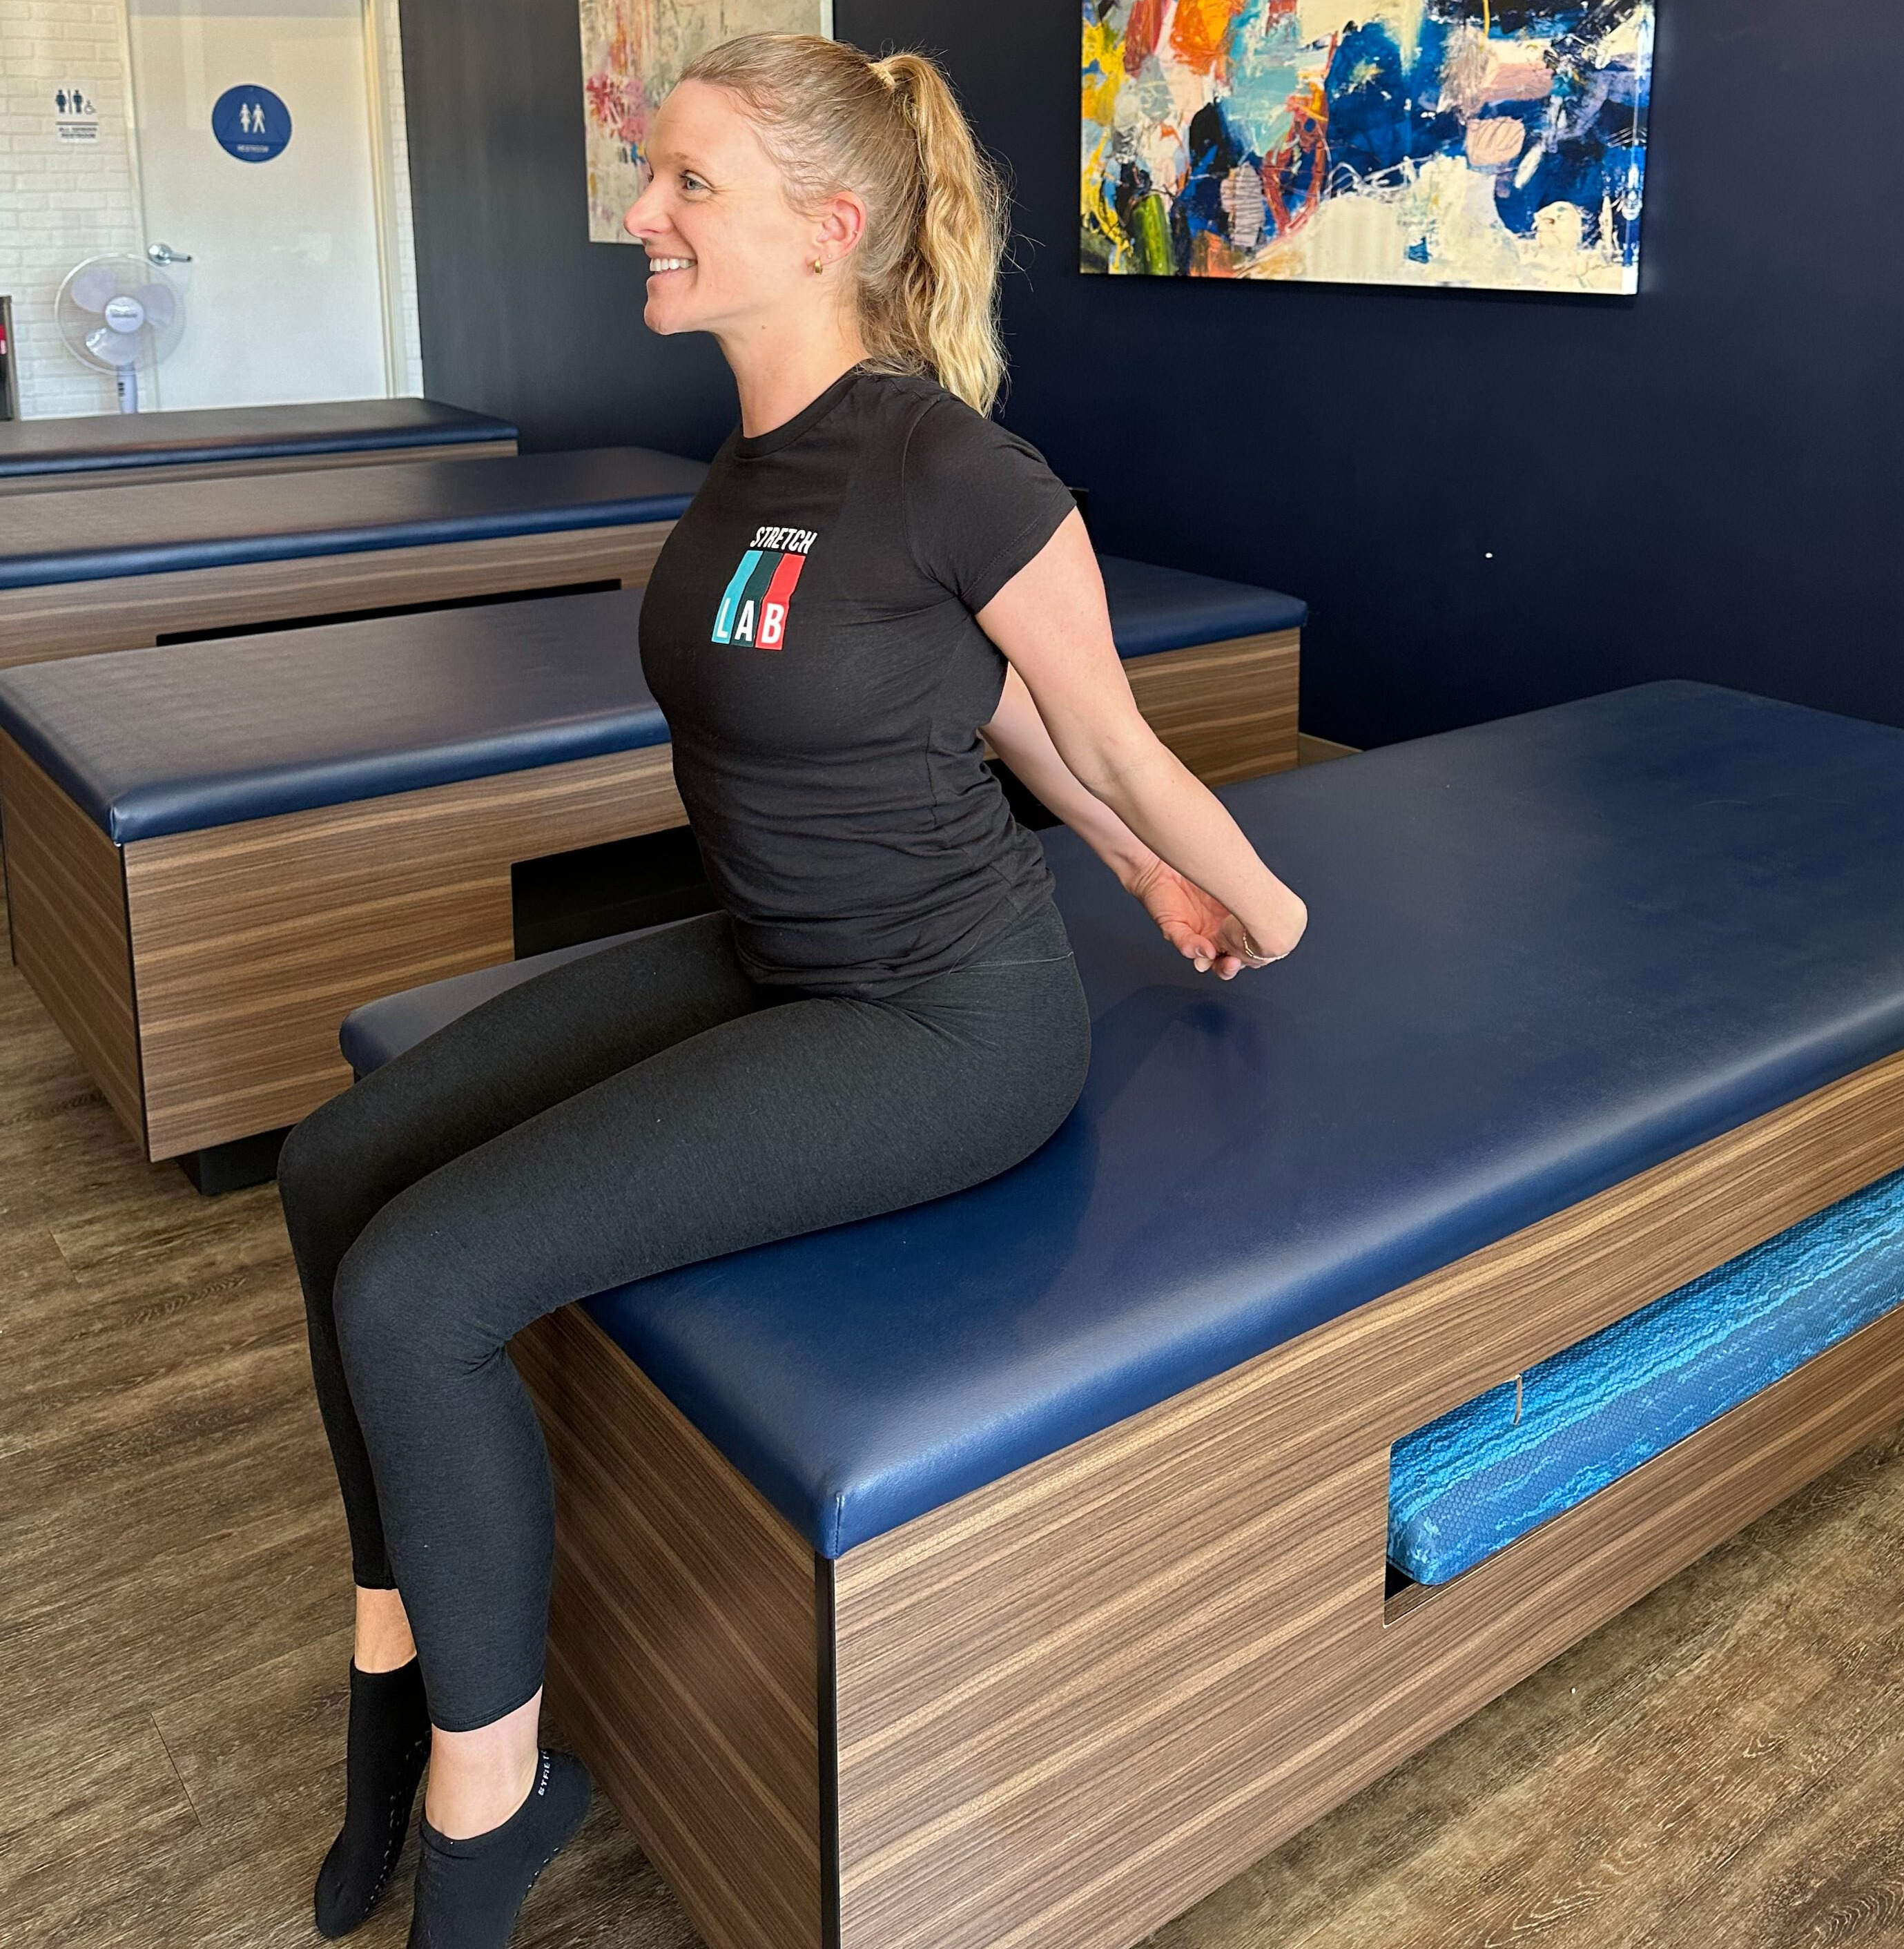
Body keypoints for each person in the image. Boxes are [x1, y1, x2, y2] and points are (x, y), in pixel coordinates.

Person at [277, 30, 1308, 1949]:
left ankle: (488, 1801)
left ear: (829, 228)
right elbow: (978, 702)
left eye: (685, 186)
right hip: (775, 950)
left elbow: (1108, 725)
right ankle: (389, 1665)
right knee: (336, 1179)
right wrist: (1114, 846)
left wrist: (1231, 887)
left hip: (941, 1024)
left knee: (422, 1290)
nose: (639, 217)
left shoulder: (952, 461)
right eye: (652, 178)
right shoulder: (762, 456)